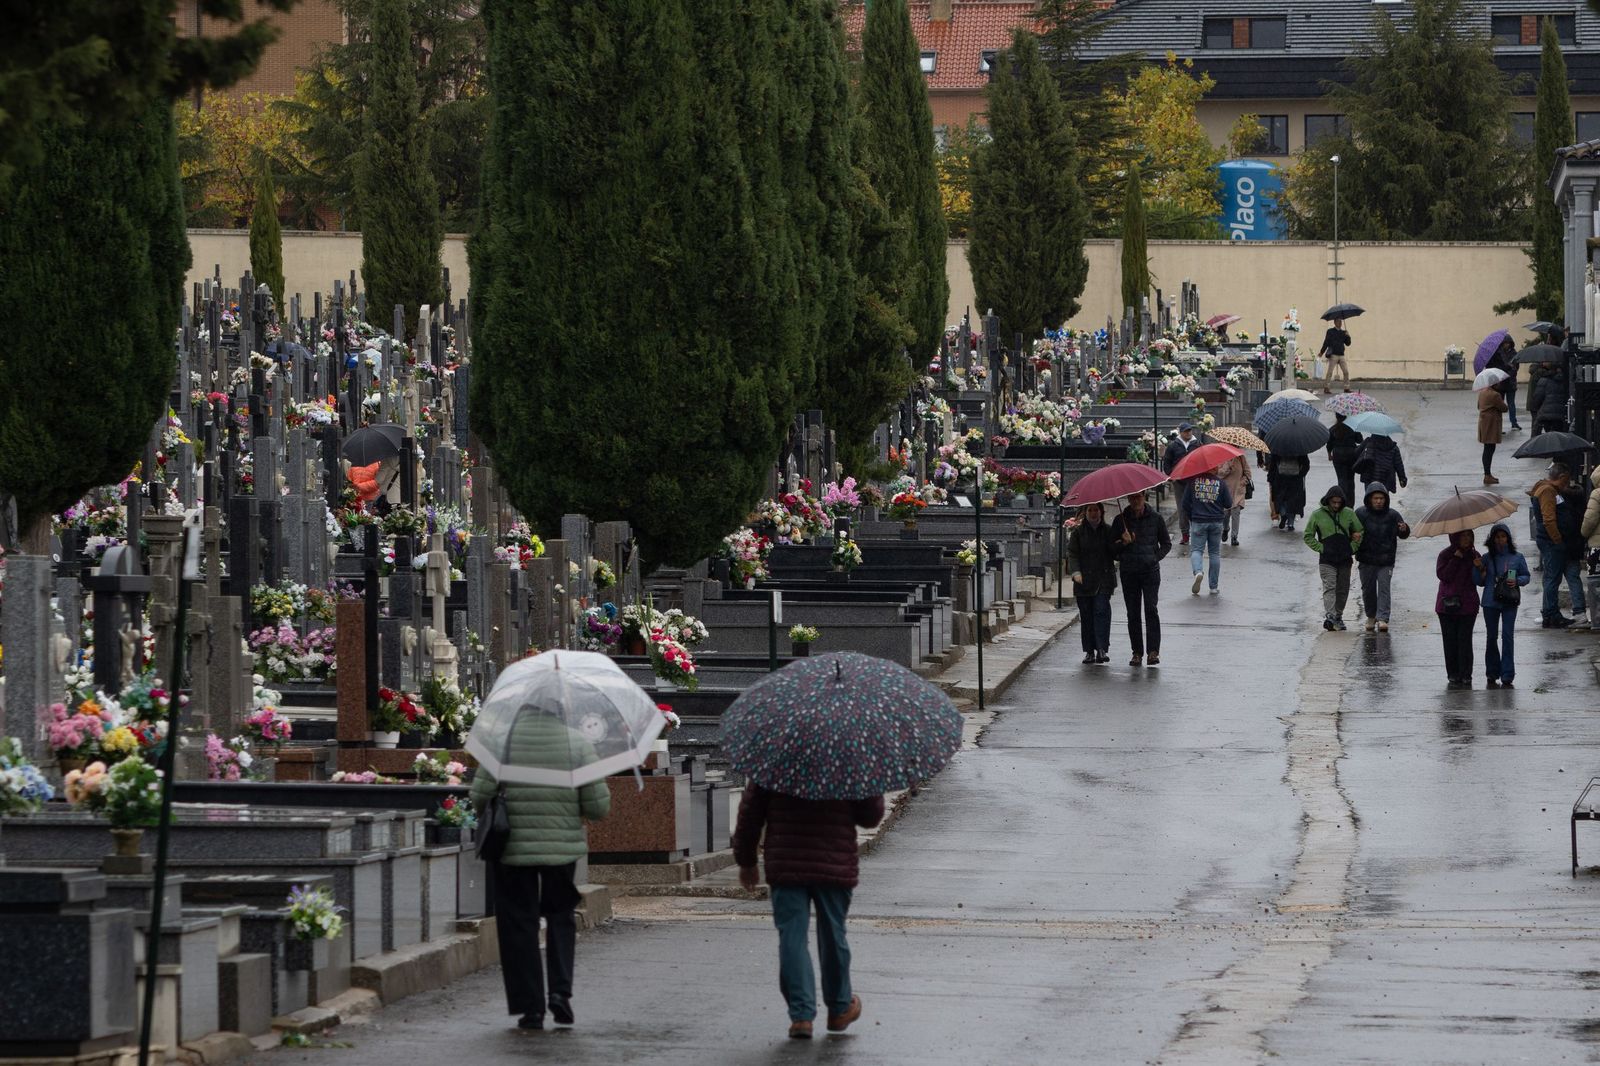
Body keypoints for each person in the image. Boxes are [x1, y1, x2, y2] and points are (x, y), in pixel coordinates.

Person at [470, 715, 612, 1031]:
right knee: (561, 916)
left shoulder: (501, 742)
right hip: (561, 849)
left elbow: (479, 796)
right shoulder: (577, 743)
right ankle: (560, 993)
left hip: (513, 850)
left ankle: (530, 1007)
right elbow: (598, 807)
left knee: (519, 923)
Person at [734, 784, 883, 1040]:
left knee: (792, 936)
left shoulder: (774, 755)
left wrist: (746, 861)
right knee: (833, 933)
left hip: (786, 861)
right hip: (833, 862)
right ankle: (839, 1008)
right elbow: (870, 816)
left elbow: (750, 813)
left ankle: (801, 1015)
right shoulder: (848, 757)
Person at [1111, 490, 1171, 667]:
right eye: (1132, 497)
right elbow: (1111, 549)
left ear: (1144, 497)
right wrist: (1123, 543)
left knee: (1151, 609)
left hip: (1150, 571)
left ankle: (1153, 651)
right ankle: (1137, 652)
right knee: (1133, 613)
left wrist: (1154, 558)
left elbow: (1166, 544)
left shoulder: (1156, 518)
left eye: (1139, 497)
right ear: (1128, 499)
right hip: (1129, 572)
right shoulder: (1120, 520)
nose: (1135, 500)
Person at [1530, 462, 1590, 628]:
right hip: (1553, 543)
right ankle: (1551, 614)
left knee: (1553, 578)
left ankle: (1550, 612)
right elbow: (1549, 519)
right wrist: (1557, 540)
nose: (1568, 483)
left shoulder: (1548, 490)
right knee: (1552, 578)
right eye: (1567, 479)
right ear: (1562, 477)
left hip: (1552, 542)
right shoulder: (1548, 491)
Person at [1475, 523, 1531, 689]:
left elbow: (1526, 576)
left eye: (1503, 536)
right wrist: (1480, 570)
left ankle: (1507, 674)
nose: (1500, 540)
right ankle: (1492, 672)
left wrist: (1517, 581)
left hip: (1509, 602)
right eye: (1497, 537)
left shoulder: (1517, 557)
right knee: (1491, 637)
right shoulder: (1486, 558)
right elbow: (1479, 582)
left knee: (1507, 636)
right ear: (1492, 540)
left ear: (1508, 538)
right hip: (1490, 603)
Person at [1304, 485, 1364, 630]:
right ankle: (1330, 616)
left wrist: (1352, 548)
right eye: (1333, 502)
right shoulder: (1317, 515)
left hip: (1345, 559)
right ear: (1328, 501)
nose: (1336, 505)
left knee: (1342, 589)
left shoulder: (1349, 514)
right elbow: (1308, 536)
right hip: (1326, 560)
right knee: (1329, 586)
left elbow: (1359, 531)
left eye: (1339, 502)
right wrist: (1321, 548)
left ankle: (1338, 615)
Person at [1355, 481, 1409, 632]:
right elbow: (1351, 531)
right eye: (1375, 498)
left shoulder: (1393, 515)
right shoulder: (1360, 514)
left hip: (1386, 560)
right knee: (1368, 589)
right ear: (1369, 499)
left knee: (1384, 588)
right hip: (1366, 560)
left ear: (1385, 499)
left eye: (1381, 498)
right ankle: (1371, 616)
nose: (1378, 501)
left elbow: (1403, 533)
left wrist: (1404, 529)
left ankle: (1383, 618)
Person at [1067, 502, 1118, 664]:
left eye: (1096, 510)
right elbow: (1073, 554)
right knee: (1087, 615)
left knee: (1101, 612)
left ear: (1101, 512)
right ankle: (1089, 650)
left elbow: (1115, 553)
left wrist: (1124, 542)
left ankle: (1101, 649)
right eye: (1090, 510)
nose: (1093, 513)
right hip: (1084, 581)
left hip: (1103, 580)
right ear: (1085, 513)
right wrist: (1075, 572)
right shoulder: (1078, 533)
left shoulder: (1108, 531)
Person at [1435, 529, 1483, 688]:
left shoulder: (1475, 555)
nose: (1467, 539)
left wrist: (1480, 568)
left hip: (1468, 604)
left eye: (1469, 535)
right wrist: (1455, 558)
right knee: (1450, 640)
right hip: (1447, 604)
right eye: (1463, 536)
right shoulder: (1445, 555)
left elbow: (1481, 580)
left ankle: (1466, 674)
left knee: (1465, 640)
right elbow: (1444, 576)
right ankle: (1453, 674)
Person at [1182, 463, 1233, 595]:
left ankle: (1198, 571)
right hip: (1216, 521)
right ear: (1214, 468)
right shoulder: (1221, 483)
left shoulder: (1192, 482)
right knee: (1214, 553)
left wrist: (1192, 516)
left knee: (1197, 550)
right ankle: (1213, 587)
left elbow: (1185, 503)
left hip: (1198, 520)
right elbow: (1228, 503)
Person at [1162, 423, 1200, 545]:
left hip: (1194, 480)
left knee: (1195, 507)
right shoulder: (1173, 446)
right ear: (1181, 432)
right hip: (1179, 482)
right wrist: (1171, 476)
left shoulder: (1197, 444)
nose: (1188, 433)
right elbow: (1167, 462)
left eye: (1190, 430)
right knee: (1182, 508)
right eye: (1186, 431)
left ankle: (1196, 532)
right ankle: (1185, 534)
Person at [1326, 413, 1364, 506]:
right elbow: (1360, 440)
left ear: (1336, 417)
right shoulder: (1353, 427)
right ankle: (1350, 504)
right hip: (1351, 455)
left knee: (1341, 479)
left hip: (1338, 455)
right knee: (1351, 480)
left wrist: (1329, 454)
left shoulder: (1333, 429)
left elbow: (1329, 443)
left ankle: (1341, 502)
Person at [1485, 335, 1521, 431]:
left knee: (1511, 404)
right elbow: (1495, 366)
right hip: (1500, 383)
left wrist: (1510, 373)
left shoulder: (1514, 353)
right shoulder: (1497, 354)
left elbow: (1516, 367)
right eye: (1505, 343)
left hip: (1510, 382)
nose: (1507, 345)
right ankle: (1498, 426)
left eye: (1508, 343)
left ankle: (1514, 423)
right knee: (1499, 405)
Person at [1267, 451, 1309, 531]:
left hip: (1280, 478)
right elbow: (1306, 464)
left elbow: (1273, 464)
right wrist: (1301, 474)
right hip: (1296, 479)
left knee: (1281, 499)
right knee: (1293, 501)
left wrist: (1270, 478)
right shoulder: (1300, 448)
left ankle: (1283, 514)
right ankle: (1290, 524)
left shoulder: (1278, 448)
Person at [1218, 454, 1253, 547]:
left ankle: (1234, 537)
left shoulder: (1241, 457)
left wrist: (1244, 481)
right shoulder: (1221, 457)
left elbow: (1248, 473)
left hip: (1238, 490)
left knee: (1235, 512)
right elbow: (1218, 474)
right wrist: (1227, 469)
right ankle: (1225, 529)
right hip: (1225, 490)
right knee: (1225, 514)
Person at [1477, 380, 1508, 485]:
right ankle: (1487, 475)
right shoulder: (1495, 395)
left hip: (1483, 422)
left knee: (1487, 448)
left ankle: (1487, 474)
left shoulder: (1482, 392)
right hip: (1491, 423)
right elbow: (1504, 408)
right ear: (1494, 384)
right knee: (1489, 449)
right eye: (1498, 383)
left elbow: (1478, 406)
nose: (1499, 384)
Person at [1532, 366, 1570, 436]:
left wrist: (1536, 407)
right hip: (1561, 413)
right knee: (1560, 435)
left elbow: (1537, 397)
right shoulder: (1566, 380)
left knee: (1548, 435)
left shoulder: (1543, 380)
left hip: (1546, 414)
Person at [1320, 318, 1352, 393]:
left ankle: (1346, 387)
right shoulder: (1330, 331)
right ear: (1335, 323)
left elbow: (1348, 344)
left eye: (1341, 322)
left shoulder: (1343, 332)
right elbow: (1326, 342)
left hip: (1341, 354)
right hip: (1333, 354)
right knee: (1330, 372)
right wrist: (1322, 352)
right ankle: (1326, 387)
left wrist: (1348, 336)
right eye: (1338, 322)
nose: (1340, 323)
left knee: (1346, 372)